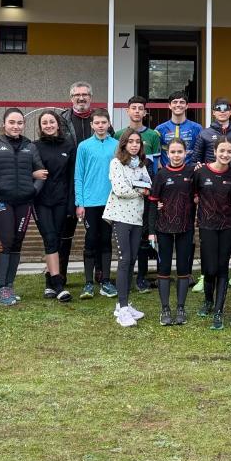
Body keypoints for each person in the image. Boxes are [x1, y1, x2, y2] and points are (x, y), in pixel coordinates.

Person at [0, 108, 45, 306]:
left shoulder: (29, 147)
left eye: (20, 123)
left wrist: (34, 191)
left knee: (17, 243)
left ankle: (9, 285)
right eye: (12, 122)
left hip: (24, 202)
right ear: (4, 124)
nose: (16, 126)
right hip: (1, 202)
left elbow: (40, 172)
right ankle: (0, 289)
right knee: (5, 241)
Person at [103, 129, 153, 327]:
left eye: (137, 142)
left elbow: (148, 185)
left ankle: (123, 303)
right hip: (120, 216)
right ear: (123, 144)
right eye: (130, 141)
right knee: (124, 260)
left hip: (136, 217)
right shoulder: (117, 163)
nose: (134, 145)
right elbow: (120, 189)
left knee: (132, 259)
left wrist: (139, 188)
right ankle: (122, 308)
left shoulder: (141, 164)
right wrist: (139, 190)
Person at [147, 138, 196, 326]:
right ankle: (165, 309)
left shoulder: (193, 173)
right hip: (163, 229)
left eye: (179, 152)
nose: (176, 156)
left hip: (186, 228)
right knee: (164, 268)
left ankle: (181, 308)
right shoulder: (160, 175)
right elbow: (153, 203)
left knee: (184, 269)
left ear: (186, 153)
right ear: (168, 154)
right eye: (173, 152)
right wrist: (151, 231)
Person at [194, 137, 231, 330]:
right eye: (222, 151)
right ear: (215, 150)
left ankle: (219, 310)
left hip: (228, 226)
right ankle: (208, 300)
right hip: (207, 225)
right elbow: (192, 194)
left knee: (222, 268)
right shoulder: (201, 172)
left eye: (229, 152)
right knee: (209, 268)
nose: (225, 155)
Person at [74, 109, 119, 299]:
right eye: (97, 123)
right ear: (92, 125)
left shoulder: (117, 145)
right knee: (91, 239)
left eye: (104, 122)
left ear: (109, 124)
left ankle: (106, 281)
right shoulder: (84, 146)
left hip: (111, 201)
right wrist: (80, 202)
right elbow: (79, 176)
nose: (100, 126)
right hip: (90, 202)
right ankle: (88, 283)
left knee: (106, 239)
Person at [34, 109, 75, 302]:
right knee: (49, 238)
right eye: (44, 123)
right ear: (40, 127)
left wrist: (71, 204)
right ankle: (58, 284)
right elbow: (25, 170)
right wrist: (33, 175)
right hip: (41, 201)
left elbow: (71, 177)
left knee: (57, 240)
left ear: (58, 124)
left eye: (52, 121)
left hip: (61, 200)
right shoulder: (34, 147)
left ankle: (49, 282)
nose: (48, 125)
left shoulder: (69, 146)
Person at [126, 95, 161, 293]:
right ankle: (127, 274)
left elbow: (155, 168)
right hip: (125, 197)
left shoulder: (153, 136)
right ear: (128, 111)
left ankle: (142, 276)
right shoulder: (119, 134)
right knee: (128, 236)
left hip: (147, 195)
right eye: (134, 108)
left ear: (145, 112)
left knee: (144, 235)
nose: (137, 111)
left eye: (141, 108)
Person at [156, 91, 203, 167]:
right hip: (167, 173)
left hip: (190, 173)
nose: (178, 105)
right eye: (175, 102)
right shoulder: (160, 129)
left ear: (187, 106)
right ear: (169, 106)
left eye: (182, 102)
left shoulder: (197, 128)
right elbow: (156, 153)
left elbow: (201, 151)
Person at [194, 98, 231, 164]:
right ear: (213, 112)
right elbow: (196, 161)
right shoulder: (204, 134)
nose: (222, 111)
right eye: (218, 108)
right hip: (211, 173)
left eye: (225, 108)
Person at [60, 80, 112, 145]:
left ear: (90, 97)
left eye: (84, 95)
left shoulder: (101, 117)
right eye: (77, 95)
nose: (81, 98)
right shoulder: (63, 119)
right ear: (72, 98)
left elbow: (111, 138)